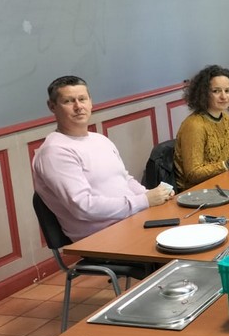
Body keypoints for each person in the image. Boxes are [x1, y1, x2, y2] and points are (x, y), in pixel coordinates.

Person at [33, 76, 173, 242]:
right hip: (101, 238)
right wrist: (143, 201)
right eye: (69, 101)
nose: (78, 106)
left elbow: (125, 179)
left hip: (133, 221)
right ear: (52, 106)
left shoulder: (100, 139)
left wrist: (152, 194)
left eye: (82, 99)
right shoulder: (54, 152)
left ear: (90, 102)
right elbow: (83, 207)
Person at [174, 65, 229, 192]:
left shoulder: (226, 118)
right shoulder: (194, 125)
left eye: (228, 91)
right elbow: (193, 174)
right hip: (199, 192)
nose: (224, 96)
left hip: (224, 184)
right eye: (216, 91)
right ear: (204, 94)